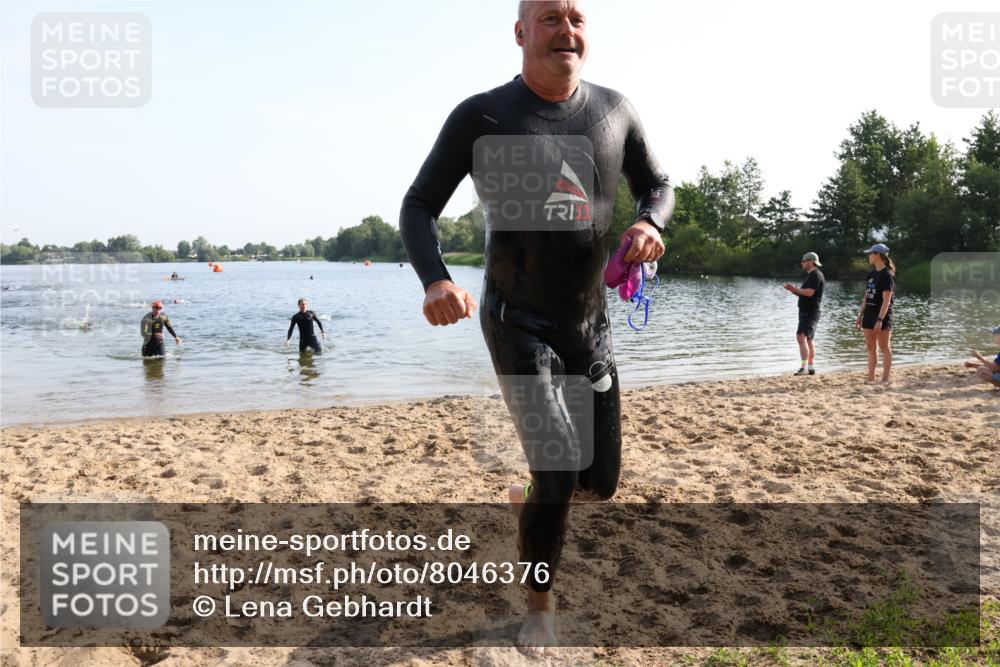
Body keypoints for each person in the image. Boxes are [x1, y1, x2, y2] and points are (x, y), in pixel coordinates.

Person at [399, 0, 673, 655]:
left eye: (577, 18)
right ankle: (540, 607)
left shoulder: (615, 111)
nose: (566, 29)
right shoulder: (484, 115)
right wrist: (436, 278)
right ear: (521, 32)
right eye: (550, 17)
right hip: (515, 319)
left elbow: (658, 183)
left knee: (596, 483)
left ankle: (530, 502)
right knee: (556, 469)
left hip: (590, 324)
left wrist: (649, 223)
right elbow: (417, 206)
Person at [855, 243, 895, 384]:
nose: (869, 256)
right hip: (869, 315)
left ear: (878, 254)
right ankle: (871, 378)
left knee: (884, 347)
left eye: (870, 253)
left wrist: (880, 320)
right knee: (870, 347)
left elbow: (886, 301)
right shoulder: (871, 275)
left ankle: (885, 379)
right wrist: (860, 315)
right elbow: (866, 297)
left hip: (882, 316)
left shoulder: (887, 275)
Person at [783, 252, 825, 375]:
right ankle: (810, 367)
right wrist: (793, 290)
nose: (802, 263)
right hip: (808, 311)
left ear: (811, 262)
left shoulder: (815, 275)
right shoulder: (812, 275)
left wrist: (795, 289)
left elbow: (810, 293)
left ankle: (804, 367)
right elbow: (804, 292)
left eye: (804, 261)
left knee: (801, 337)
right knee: (809, 339)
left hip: (810, 312)